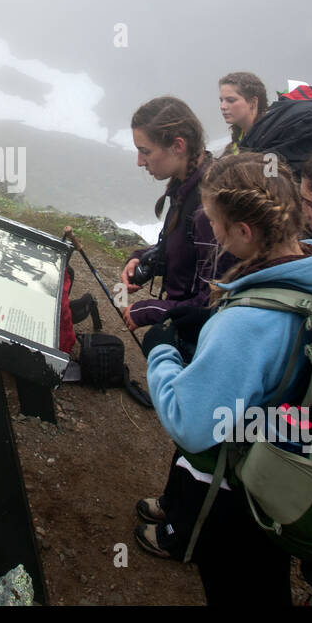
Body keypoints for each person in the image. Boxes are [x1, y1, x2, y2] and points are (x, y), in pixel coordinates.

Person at [139, 151, 312, 605]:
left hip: (240, 488)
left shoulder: (247, 323)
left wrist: (162, 353)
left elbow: (190, 423)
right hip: (296, 459)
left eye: (215, 223)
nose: (214, 234)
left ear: (244, 231)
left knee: (239, 584)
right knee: (265, 575)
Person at [120, 97, 233, 561]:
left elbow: (218, 292)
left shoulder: (208, 204)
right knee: (187, 430)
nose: (140, 160)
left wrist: (156, 311)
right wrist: (146, 264)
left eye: (146, 150)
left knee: (200, 429)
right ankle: (173, 503)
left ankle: (183, 536)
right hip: (187, 320)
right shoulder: (188, 183)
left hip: (204, 329)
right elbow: (176, 248)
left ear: (179, 144)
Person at [218, 71, 268, 155]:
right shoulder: (239, 135)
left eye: (230, 100)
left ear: (253, 103)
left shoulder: (267, 139)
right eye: (221, 100)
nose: (222, 106)